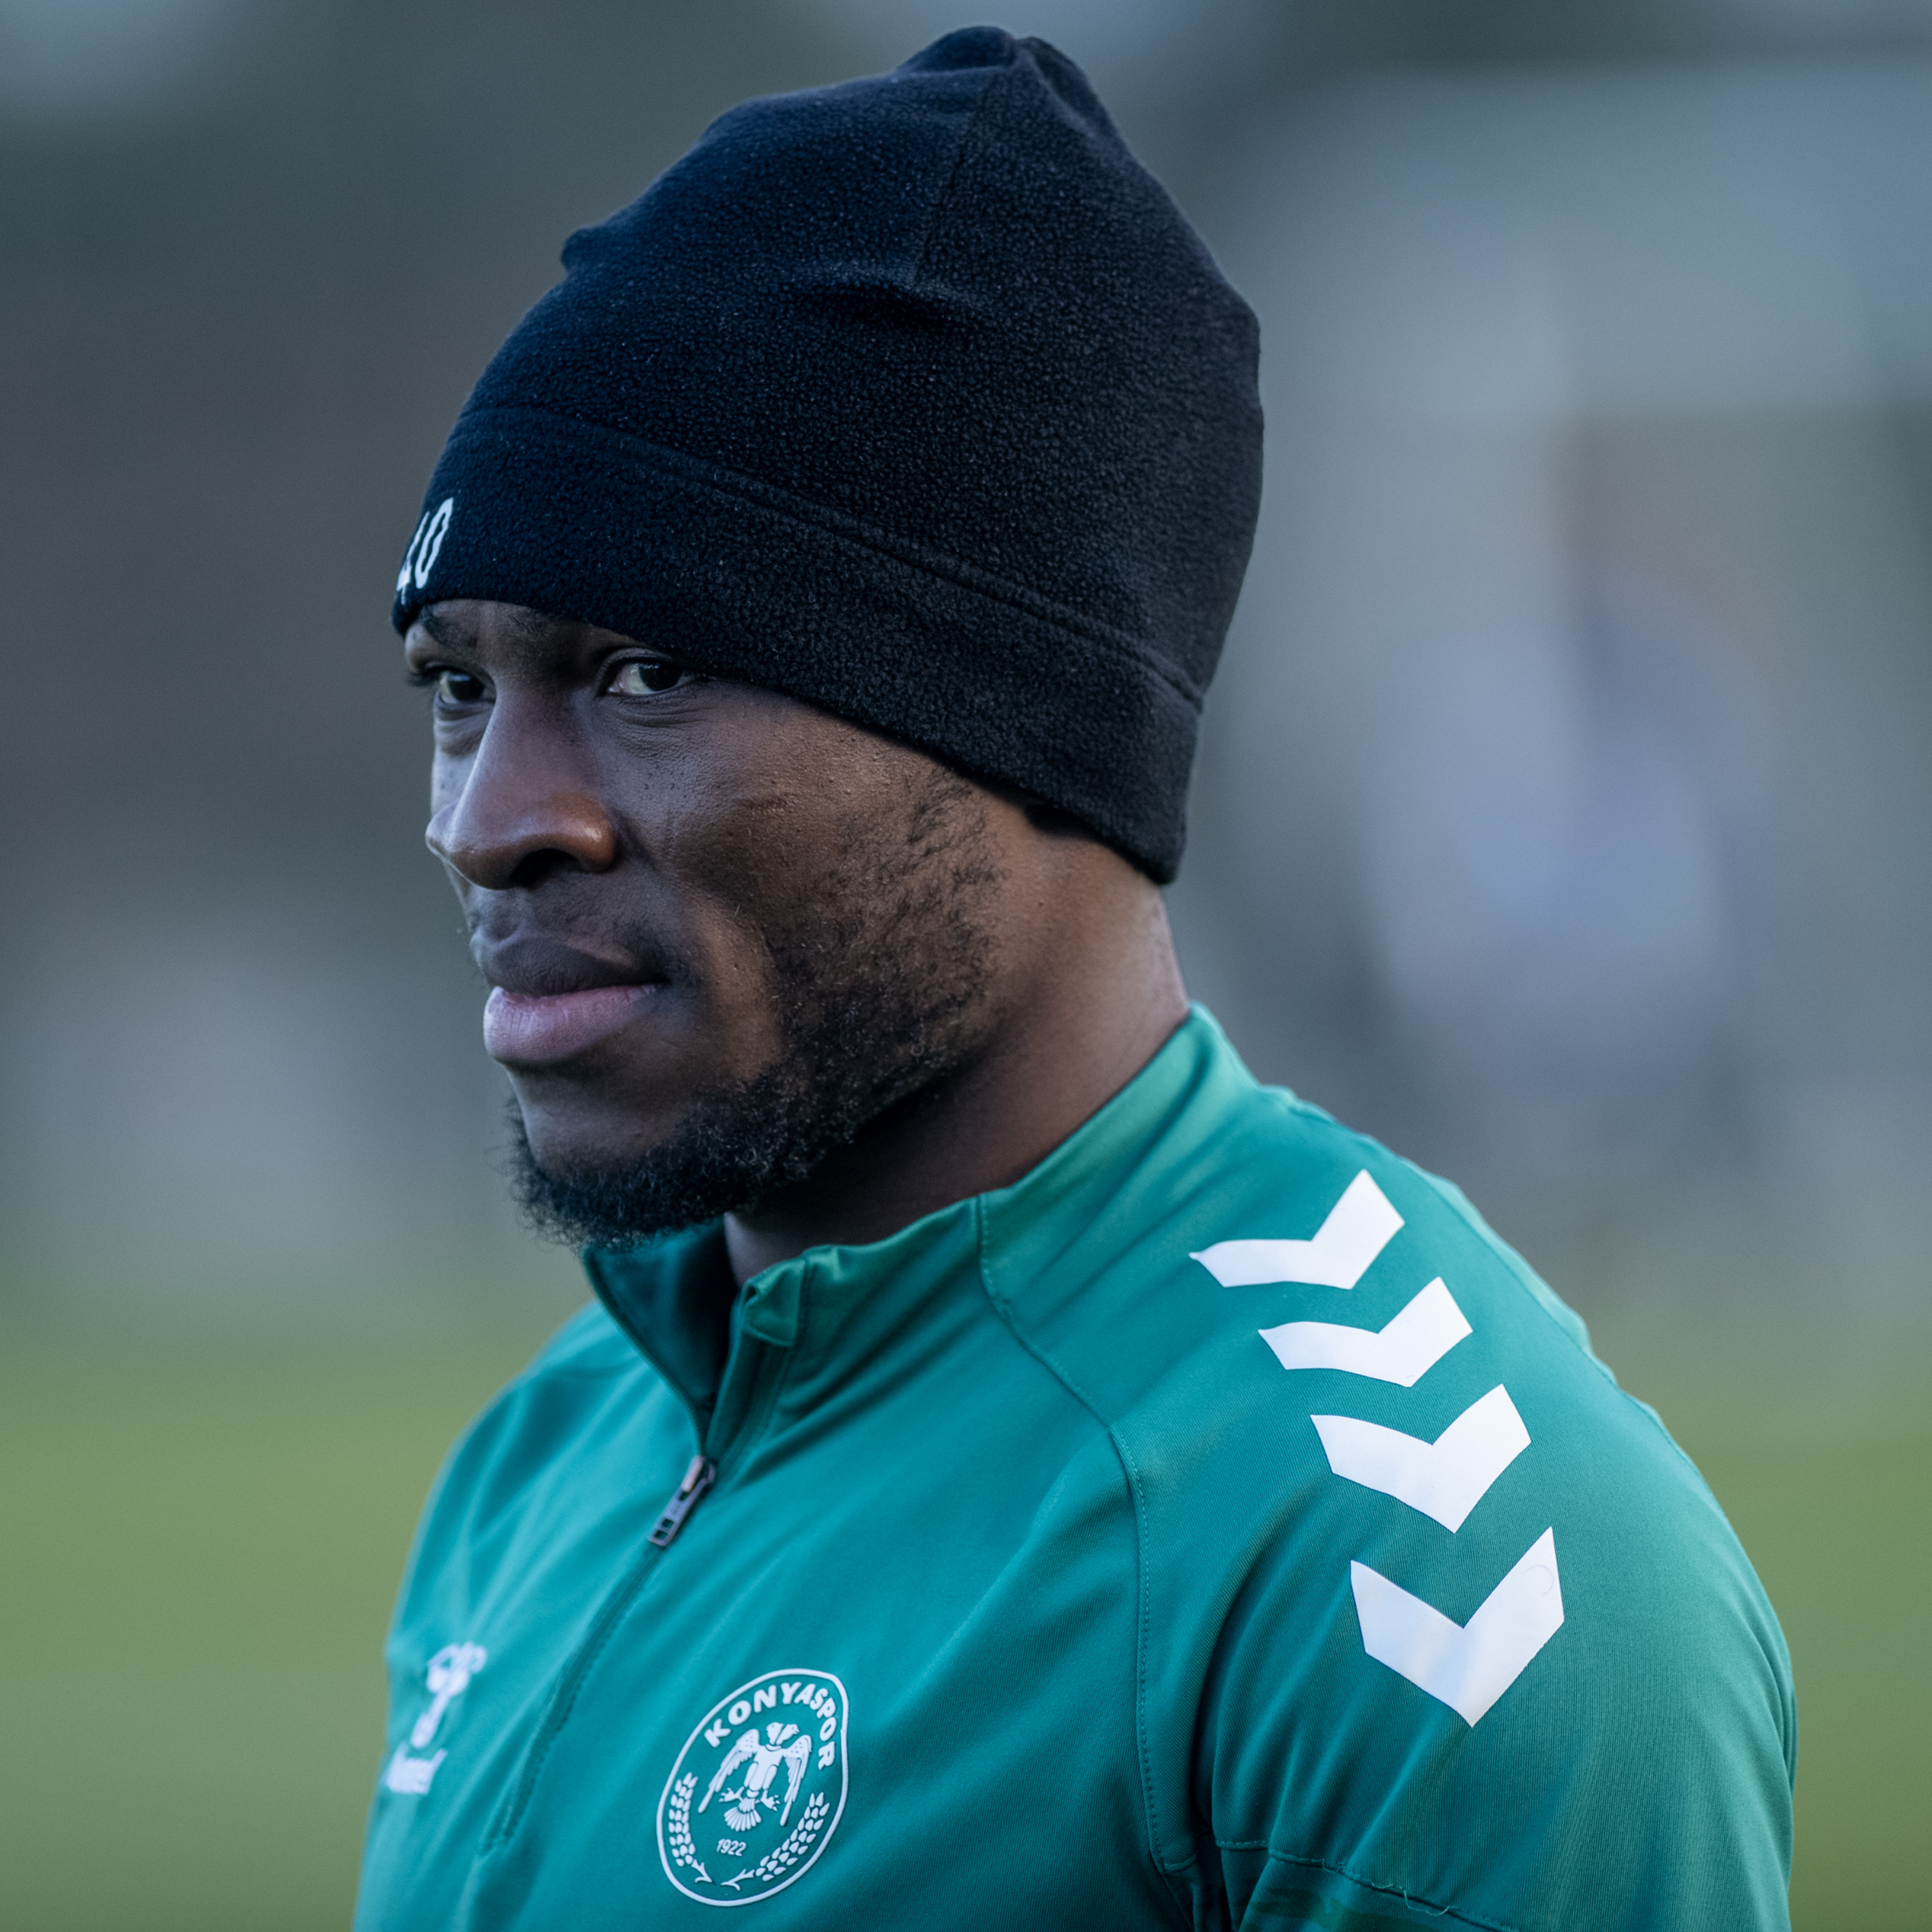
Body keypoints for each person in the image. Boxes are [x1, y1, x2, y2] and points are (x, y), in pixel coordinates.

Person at [355, 28, 1794, 1931]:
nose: (485, 824)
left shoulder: (1422, 1567)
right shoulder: (559, 1444)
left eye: (650, 674)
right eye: (458, 684)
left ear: (1021, 723)